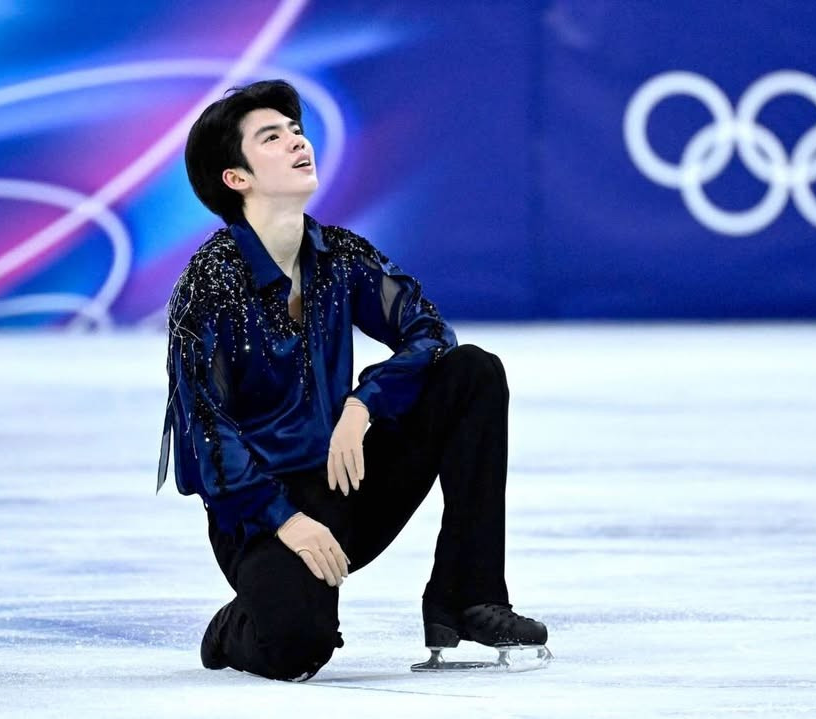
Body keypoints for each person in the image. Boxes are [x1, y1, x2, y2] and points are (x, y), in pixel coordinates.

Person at [156, 79, 549, 681]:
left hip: (348, 480)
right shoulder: (208, 285)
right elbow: (205, 432)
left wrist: (364, 403)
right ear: (236, 178)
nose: (297, 142)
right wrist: (285, 519)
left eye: (296, 130)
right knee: (296, 650)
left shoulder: (339, 257)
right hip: (261, 515)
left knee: (472, 372)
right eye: (271, 137)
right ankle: (232, 628)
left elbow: (430, 333)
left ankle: (467, 597)